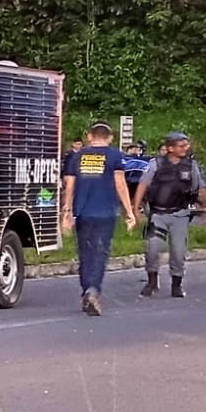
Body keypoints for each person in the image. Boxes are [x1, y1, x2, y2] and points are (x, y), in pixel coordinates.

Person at [60, 121, 137, 316]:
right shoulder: (115, 156)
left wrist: (66, 213)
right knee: (100, 254)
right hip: (105, 213)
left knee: (85, 253)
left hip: (82, 213)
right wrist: (129, 212)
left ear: (89, 136)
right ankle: (93, 290)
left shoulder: (77, 156)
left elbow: (69, 186)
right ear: (110, 138)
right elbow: (120, 184)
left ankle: (87, 289)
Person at [134, 130, 204, 297]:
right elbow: (143, 185)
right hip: (157, 215)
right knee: (152, 249)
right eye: (181, 145)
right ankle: (151, 282)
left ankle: (177, 284)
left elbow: (198, 188)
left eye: (186, 145)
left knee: (178, 252)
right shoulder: (156, 164)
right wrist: (136, 208)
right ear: (170, 148)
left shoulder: (191, 165)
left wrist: (204, 203)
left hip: (180, 215)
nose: (185, 148)